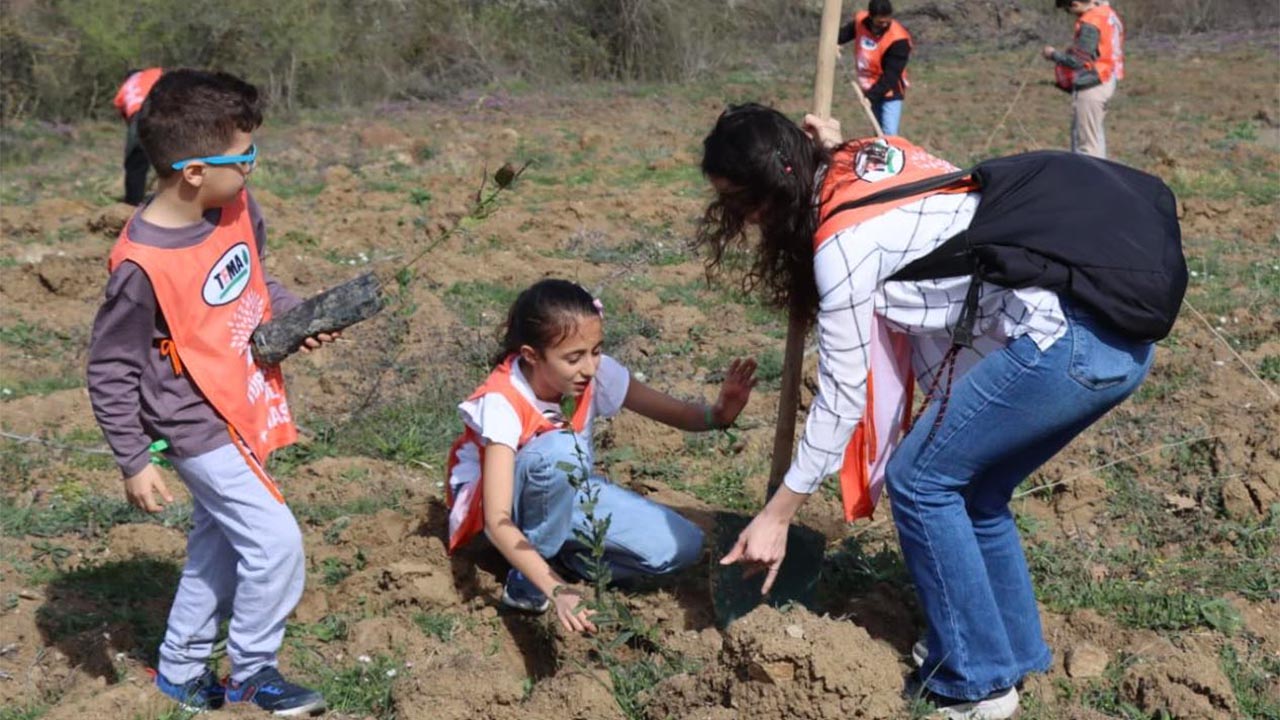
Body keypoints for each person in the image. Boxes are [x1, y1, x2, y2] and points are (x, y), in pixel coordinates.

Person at [701, 104, 1159, 720]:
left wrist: (778, 513)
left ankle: (978, 683)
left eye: (739, 205)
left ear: (769, 195)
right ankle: (1015, 653)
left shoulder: (843, 248)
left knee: (920, 480)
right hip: (1119, 347)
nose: (740, 221)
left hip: (1062, 345)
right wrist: (833, 144)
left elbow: (841, 397)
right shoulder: (872, 160)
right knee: (976, 491)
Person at [87, 69, 337, 716]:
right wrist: (133, 460)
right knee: (275, 542)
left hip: (242, 398)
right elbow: (110, 368)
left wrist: (291, 319)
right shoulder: (141, 266)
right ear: (195, 170)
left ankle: (179, 671)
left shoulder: (231, 207)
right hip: (196, 423)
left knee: (217, 545)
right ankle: (252, 670)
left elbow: (253, 280)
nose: (254, 166)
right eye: (245, 156)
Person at [445, 279, 758, 633]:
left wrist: (718, 415)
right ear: (532, 355)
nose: (590, 367)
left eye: (595, 351)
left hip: (561, 492)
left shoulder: (596, 373)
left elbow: (674, 413)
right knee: (561, 450)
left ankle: (563, 558)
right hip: (491, 513)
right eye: (573, 358)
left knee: (682, 547)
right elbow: (497, 520)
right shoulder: (503, 401)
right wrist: (557, 590)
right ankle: (530, 580)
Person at [1043, 0, 1125, 158]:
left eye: (1068, 7)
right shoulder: (1107, 14)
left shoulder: (1091, 22)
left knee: (1086, 146)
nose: (1070, 11)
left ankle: (1089, 181)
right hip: (1106, 78)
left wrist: (1053, 54)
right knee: (1094, 139)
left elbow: (1077, 61)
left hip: (1093, 85)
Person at [838, 0, 912, 135]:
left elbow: (891, 76)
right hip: (868, 85)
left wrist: (871, 97)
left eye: (887, 21)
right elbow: (841, 35)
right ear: (871, 17)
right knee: (877, 131)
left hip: (890, 90)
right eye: (880, 22)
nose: (884, 25)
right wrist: (835, 42)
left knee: (888, 133)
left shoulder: (899, 40)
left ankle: (890, 152)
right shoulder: (860, 22)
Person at [112, 67, 164, 205]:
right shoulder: (154, 72)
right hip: (163, 110)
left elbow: (125, 116)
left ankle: (132, 205)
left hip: (137, 117)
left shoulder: (124, 89)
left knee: (135, 165)